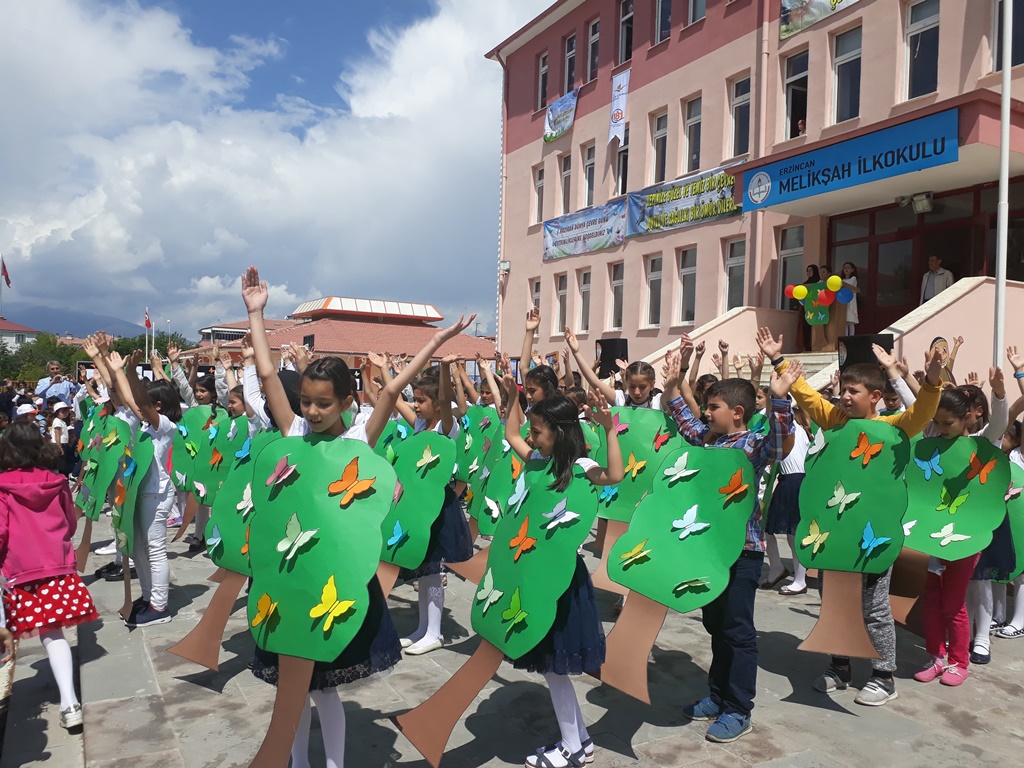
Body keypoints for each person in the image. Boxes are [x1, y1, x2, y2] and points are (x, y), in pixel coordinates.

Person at [242, 264, 474, 768]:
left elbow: (392, 390)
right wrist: (255, 315)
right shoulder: (294, 437)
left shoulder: (357, 442)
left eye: (323, 403)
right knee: (292, 686)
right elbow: (266, 376)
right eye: (305, 401)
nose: (312, 411)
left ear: (348, 401)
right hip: (292, 578)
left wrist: (438, 345)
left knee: (325, 691)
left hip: (337, 583)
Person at [757, 329, 943, 706]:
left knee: (874, 607)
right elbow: (807, 397)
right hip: (833, 533)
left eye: (853, 391)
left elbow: (923, 412)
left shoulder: (894, 427)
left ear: (875, 397)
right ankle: (838, 666)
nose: (843, 396)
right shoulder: (835, 422)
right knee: (835, 601)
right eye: (842, 389)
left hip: (874, 536)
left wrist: (928, 379)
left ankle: (883, 675)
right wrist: (778, 360)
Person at [662, 335, 798, 743]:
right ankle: (717, 696)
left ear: (737, 413)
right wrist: (674, 381)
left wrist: (777, 398)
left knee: (738, 631)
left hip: (742, 553)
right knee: (715, 624)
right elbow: (683, 420)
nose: (705, 412)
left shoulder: (753, 445)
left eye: (714, 407)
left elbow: (778, 440)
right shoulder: (709, 440)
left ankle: (739, 709)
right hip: (710, 551)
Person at [501, 388, 623, 768]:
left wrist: (611, 432)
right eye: (532, 431)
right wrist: (510, 397)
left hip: (563, 581)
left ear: (559, 431)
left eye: (538, 431)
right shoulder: (537, 461)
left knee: (555, 666)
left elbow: (615, 474)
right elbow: (510, 435)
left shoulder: (582, 466)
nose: (532, 437)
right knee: (553, 669)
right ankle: (580, 741)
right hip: (535, 574)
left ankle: (572, 748)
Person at [0, 421, 99, 729]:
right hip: (57, 567)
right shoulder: (55, 481)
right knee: (54, 635)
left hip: (19, 572)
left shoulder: (2, 486)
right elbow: (70, 524)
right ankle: (70, 703)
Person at [913, 378, 1004, 687]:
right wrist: (903, 376)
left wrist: (1001, 393)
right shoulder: (932, 440)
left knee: (953, 604)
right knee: (931, 599)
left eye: (947, 422)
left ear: (968, 418)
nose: (940, 427)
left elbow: (1000, 422)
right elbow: (916, 403)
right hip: (930, 535)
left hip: (965, 537)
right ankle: (936, 657)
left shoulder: (981, 443)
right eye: (936, 421)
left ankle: (958, 661)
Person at [389, 358, 474, 656]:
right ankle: (423, 628)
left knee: (434, 571)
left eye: (422, 401)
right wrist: (379, 372)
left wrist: (445, 367)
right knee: (423, 572)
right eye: (416, 400)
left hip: (439, 508)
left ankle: (435, 632)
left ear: (438, 405)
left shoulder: (445, 428)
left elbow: (446, 398)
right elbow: (395, 399)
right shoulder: (420, 426)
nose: (416, 406)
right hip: (418, 506)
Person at [103, 349, 182, 627]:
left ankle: (160, 606)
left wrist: (133, 373)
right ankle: (148, 597)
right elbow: (129, 399)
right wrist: (117, 372)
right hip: (137, 493)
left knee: (155, 550)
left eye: (146, 401)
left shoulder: (165, 426)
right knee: (138, 550)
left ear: (157, 405)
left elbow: (138, 401)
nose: (139, 405)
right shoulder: (147, 423)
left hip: (156, 496)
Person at [800, 265, 820, 352]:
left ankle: (816, 346)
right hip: (806, 308)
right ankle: (807, 347)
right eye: (807, 271)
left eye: (811, 270)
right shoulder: (805, 284)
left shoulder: (819, 283)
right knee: (806, 327)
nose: (809, 272)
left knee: (816, 328)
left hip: (817, 308)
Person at [841, 262, 860, 336]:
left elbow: (849, 286)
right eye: (845, 268)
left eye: (848, 268)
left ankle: (851, 337)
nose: (846, 269)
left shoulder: (853, 278)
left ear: (852, 270)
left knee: (850, 322)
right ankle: (846, 337)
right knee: (844, 322)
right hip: (843, 302)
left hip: (850, 301)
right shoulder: (841, 279)